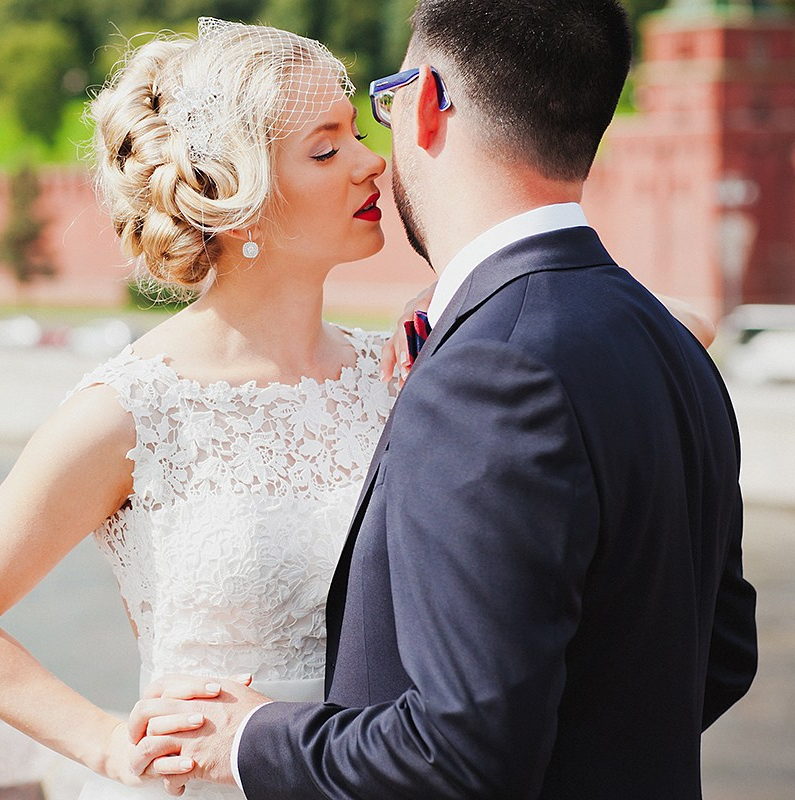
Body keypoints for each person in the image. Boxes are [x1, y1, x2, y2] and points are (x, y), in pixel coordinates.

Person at [0, 14, 724, 800]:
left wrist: (462, 294)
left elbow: (671, 323)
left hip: (388, 777)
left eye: (360, 135)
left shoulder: (410, 366)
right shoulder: (132, 410)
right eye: (326, 149)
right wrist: (107, 744)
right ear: (241, 197)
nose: (372, 164)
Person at [128, 2, 758, 799]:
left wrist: (252, 738)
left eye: (379, 108)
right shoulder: (670, 344)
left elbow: (459, 754)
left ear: (425, 101)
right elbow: (724, 655)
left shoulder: (482, 374)